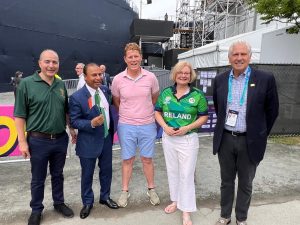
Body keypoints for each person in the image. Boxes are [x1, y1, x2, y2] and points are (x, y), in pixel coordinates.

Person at [213, 40, 279, 225]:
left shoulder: (265, 78)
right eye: (235, 54)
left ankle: (241, 218)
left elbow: (272, 111)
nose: (239, 58)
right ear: (229, 58)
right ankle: (225, 216)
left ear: (250, 57)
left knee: (246, 183)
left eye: (243, 54)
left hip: (250, 140)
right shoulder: (220, 79)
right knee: (226, 181)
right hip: (225, 138)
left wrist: (260, 133)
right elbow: (219, 108)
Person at [14, 49, 76, 225]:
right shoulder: (26, 84)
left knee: (58, 174)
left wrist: (71, 128)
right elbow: (19, 115)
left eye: (54, 62)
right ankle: (36, 209)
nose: (51, 65)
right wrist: (22, 141)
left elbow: (65, 110)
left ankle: (59, 203)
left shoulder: (61, 85)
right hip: (37, 140)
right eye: (47, 62)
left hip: (59, 139)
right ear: (40, 63)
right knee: (38, 177)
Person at [154, 61, 208, 225]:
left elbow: (203, 117)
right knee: (173, 171)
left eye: (186, 73)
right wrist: (165, 127)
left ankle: (186, 211)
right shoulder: (166, 93)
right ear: (175, 75)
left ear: (190, 75)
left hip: (187, 139)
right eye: (180, 72)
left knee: (186, 174)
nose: (183, 75)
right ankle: (176, 201)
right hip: (169, 138)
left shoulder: (197, 94)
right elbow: (157, 112)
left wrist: (188, 128)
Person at [111, 42, 160, 208]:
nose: (133, 59)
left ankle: (151, 189)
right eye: (130, 57)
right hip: (127, 126)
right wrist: (130, 114)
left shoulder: (151, 78)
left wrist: (143, 112)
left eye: (136, 56)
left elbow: (154, 98)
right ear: (125, 59)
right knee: (127, 159)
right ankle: (125, 191)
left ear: (141, 57)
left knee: (147, 159)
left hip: (147, 124)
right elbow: (117, 101)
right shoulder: (118, 79)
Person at [69, 63, 119, 219]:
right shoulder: (77, 97)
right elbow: (74, 121)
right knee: (87, 174)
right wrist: (91, 123)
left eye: (99, 74)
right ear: (85, 77)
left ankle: (105, 197)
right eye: (94, 75)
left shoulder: (104, 90)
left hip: (106, 139)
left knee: (106, 171)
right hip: (88, 142)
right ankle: (88, 202)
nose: (98, 78)